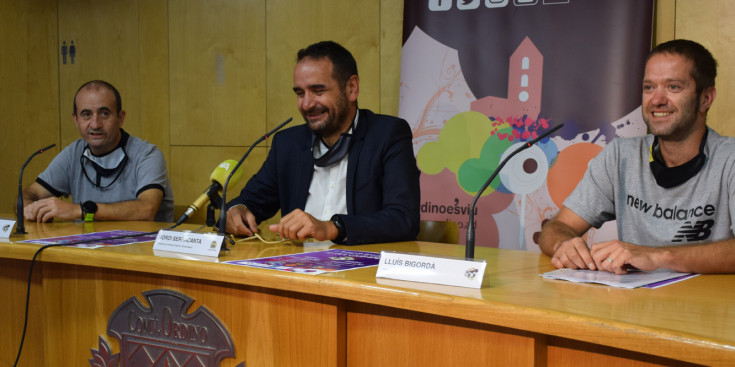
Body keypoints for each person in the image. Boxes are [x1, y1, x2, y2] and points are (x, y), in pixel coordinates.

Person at [539, 39, 735, 274]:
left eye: (673, 87)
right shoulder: (621, 155)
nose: (657, 100)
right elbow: (557, 226)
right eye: (649, 87)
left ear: (706, 98)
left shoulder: (729, 159)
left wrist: (657, 256)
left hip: (705, 308)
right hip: (634, 305)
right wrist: (564, 244)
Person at [225, 41, 420, 245]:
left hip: (359, 269)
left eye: (318, 91)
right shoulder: (288, 144)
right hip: (296, 269)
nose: (307, 104)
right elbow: (249, 203)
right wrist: (235, 211)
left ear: (352, 88)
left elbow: (403, 219)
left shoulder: (387, 135)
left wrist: (332, 228)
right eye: (300, 93)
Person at [22, 80, 174, 222]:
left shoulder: (147, 154)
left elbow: (147, 210)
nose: (95, 124)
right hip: (86, 248)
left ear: (120, 118)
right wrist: (30, 209)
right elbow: (30, 194)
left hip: (140, 248)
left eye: (104, 114)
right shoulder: (73, 154)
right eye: (86, 114)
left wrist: (81, 211)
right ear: (76, 120)